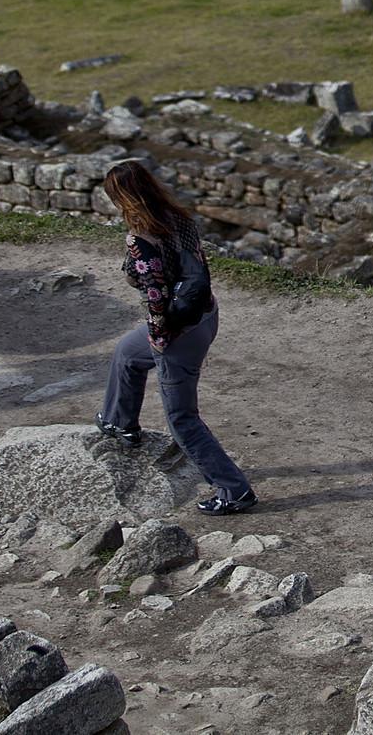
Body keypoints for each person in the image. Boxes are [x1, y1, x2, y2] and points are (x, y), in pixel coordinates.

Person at [97, 159, 256, 515]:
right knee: (126, 353)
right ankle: (119, 421)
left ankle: (234, 491)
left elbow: (154, 296)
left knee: (182, 418)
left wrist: (159, 339)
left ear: (123, 199)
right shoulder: (180, 219)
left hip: (176, 334)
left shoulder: (142, 239)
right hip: (204, 317)